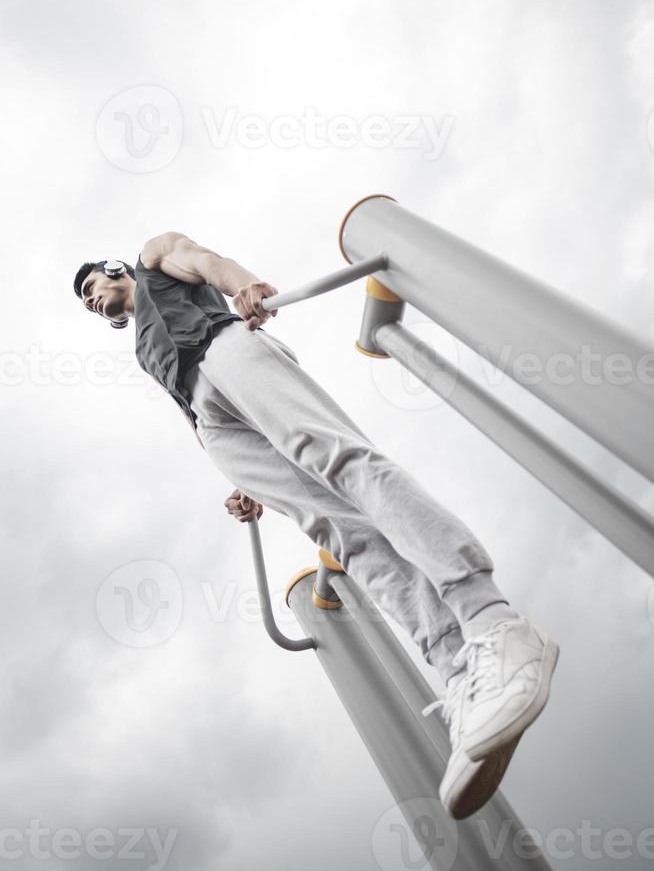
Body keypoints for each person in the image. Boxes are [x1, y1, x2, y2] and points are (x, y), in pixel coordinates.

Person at [73, 231, 559, 820]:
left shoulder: (151, 259)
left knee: (343, 463)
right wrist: (239, 480)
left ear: (113, 267)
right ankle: (459, 667)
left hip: (226, 351)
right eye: (84, 301)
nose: (90, 298)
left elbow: (201, 260)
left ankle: (492, 622)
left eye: (90, 284)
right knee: (341, 535)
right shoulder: (143, 351)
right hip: (211, 419)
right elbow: (186, 405)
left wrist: (241, 283)